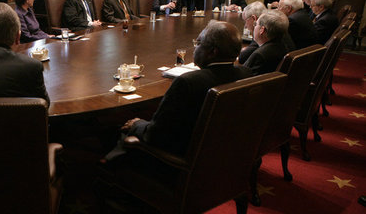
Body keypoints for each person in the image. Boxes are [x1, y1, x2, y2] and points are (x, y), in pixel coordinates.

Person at [104, 20, 251, 159]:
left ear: (213, 52)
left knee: (113, 131)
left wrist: (137, 124)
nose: (195, 48)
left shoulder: (188, 82)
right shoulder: (246, 74)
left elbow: (156, 134)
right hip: (224, 151)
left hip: (178, 158)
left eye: (198, 43)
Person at [243, 10, 290, 76]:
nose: (254, 27)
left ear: (262, 30)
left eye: (255, 24)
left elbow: (245, 80)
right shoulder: (283, 46)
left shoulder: (259, 55)